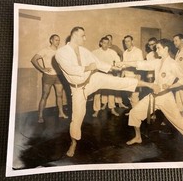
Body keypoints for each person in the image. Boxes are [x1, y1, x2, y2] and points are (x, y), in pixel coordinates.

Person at [55, 26, 156, 157]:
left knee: (118, 82)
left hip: (92, 79)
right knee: (77, 117)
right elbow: (71, 70)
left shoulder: (83, 51)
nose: (85, 38)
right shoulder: (61, 53)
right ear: (75, 36)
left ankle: (149, 84)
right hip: (77, 88)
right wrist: (88, 67)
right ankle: (73, 143)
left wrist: (114, 68)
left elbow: (97, 63)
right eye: (83, 35)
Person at [116, 39, 183, 156]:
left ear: (166, 49)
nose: (156, 50)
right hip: (154, 96)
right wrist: (125, 63)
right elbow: (140, 64)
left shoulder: (173, 64)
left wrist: (170, 86)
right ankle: (138, 137)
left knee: (180, 122)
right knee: (134, 113)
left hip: (166, 98)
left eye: (158, 48)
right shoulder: (157, 62)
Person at [31, 34, 68, 123]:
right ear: (51, 40)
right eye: (56, 40)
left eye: (59, 40)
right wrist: (42, 69)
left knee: (60, 95)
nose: (58, 42)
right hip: (48, 76)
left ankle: (61, 113)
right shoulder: (45, 50)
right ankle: (40, 116)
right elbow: (33, 59)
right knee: (45, 95)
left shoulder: (60, 51)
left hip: (59, 76)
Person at [92, 36, 121, 117]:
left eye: (107, 43)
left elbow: (118, 62)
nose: (105, 45)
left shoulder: (112, 52)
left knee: (111, 92)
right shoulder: (95, 52)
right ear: (101, 43)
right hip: (99, 74)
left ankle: (112, 109)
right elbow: (91, 63)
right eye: (104, 43)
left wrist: (117, 68)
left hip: (109, 73)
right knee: (97, 93)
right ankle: (96, 110)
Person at [122, 35, 144, 108]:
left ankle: (136, 113)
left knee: (135, 96)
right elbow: (124, 66)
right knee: (129, 95)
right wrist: (122, 76)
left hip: (135, 76)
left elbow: (141, 65)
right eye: (125, 41)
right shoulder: (125, 53)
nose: (127, 43)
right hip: (127, 76)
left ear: (132, 41)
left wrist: (139, 76)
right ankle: (133, 110)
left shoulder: (138, 51)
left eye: (128, 41)